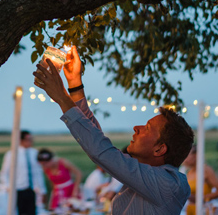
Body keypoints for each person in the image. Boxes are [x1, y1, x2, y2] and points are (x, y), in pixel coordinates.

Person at [33, 45, 194, 214]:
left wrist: (62, 97)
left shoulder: (168, 184)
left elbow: (102, 151)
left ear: (160, 149)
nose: (136, 128)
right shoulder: (146, 174)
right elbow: (97, 140)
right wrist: (75, 84)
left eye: (147, 128)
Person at [0, 130, 46, 215]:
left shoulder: (35, 153)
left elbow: (38, 173)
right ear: (20, 140)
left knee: (33, 212)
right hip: (17, 189)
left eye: (32, 139)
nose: (31, 142)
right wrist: (7, 186)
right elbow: (4, 173)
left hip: (33, 189)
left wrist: (42, 190)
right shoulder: (11, 154)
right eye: (28, 139)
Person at [183, 147, 218, 215]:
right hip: (190, 209)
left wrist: (203, 198)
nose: (184, 158)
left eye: (186, 155)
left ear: (196, 155)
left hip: (203, 209)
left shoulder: (206, 170)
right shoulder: (189, 172)